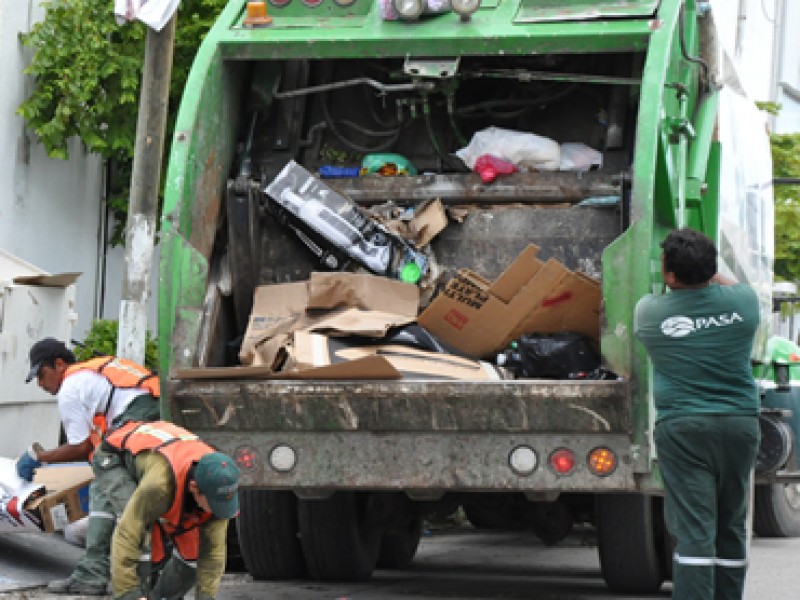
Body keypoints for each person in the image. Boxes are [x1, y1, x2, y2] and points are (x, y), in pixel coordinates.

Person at [633, 228, 760, 599]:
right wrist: (707, 272)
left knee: (694, 529)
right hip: (739, 425)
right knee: (731, 521)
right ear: (711, 267)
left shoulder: (649, 312)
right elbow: (728, 282)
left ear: (670, 276)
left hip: (684, 429)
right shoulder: (744, 303)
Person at [15, 337, 161, 596]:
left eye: (42, 374)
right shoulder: (91, 373)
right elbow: (90, 450)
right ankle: (96, 573)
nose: (40, 384)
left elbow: (80, 447)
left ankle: (116, 573)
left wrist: (41, 457)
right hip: (154, 408)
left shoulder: (70, 387)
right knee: (103, 482)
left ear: (59, 364)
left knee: (111, 480)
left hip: (139, 413)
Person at [102, 420, 240, 600]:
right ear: (194, 487)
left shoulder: (218, 480)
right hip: (116, 456)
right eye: (214, 503)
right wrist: (129, 594)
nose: (218, 510)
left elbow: (213, 553)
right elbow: (126, 535)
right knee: (141, 535)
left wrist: (206, 597)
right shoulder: (159, 487)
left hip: (169, 466)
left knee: (192, 554)